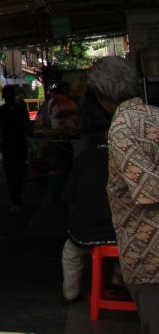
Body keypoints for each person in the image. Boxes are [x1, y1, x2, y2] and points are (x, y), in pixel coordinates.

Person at [88, 55, 159, 331]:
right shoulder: (153, 115)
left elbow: (148, 188)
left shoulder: (121, 128)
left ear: (103, 96)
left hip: (149, 258)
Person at [60, 118, 116, 302]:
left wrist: (76, 217)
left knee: (71, 254)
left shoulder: (85, 157)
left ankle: (71, 294)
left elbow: (69, 197)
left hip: (85, 231)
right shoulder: (131, 158)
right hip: (122, 231)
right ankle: (119, 279)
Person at [0, 84, 31, 211]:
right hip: (20, 145)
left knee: (11, 174)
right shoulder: (21, 109)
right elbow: (28, 127)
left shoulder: (1, 111)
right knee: (19, 173)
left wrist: (0, 144)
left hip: (8, 146)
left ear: (4, 97)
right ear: (14, 95)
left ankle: (15, 200)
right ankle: (17, 198)